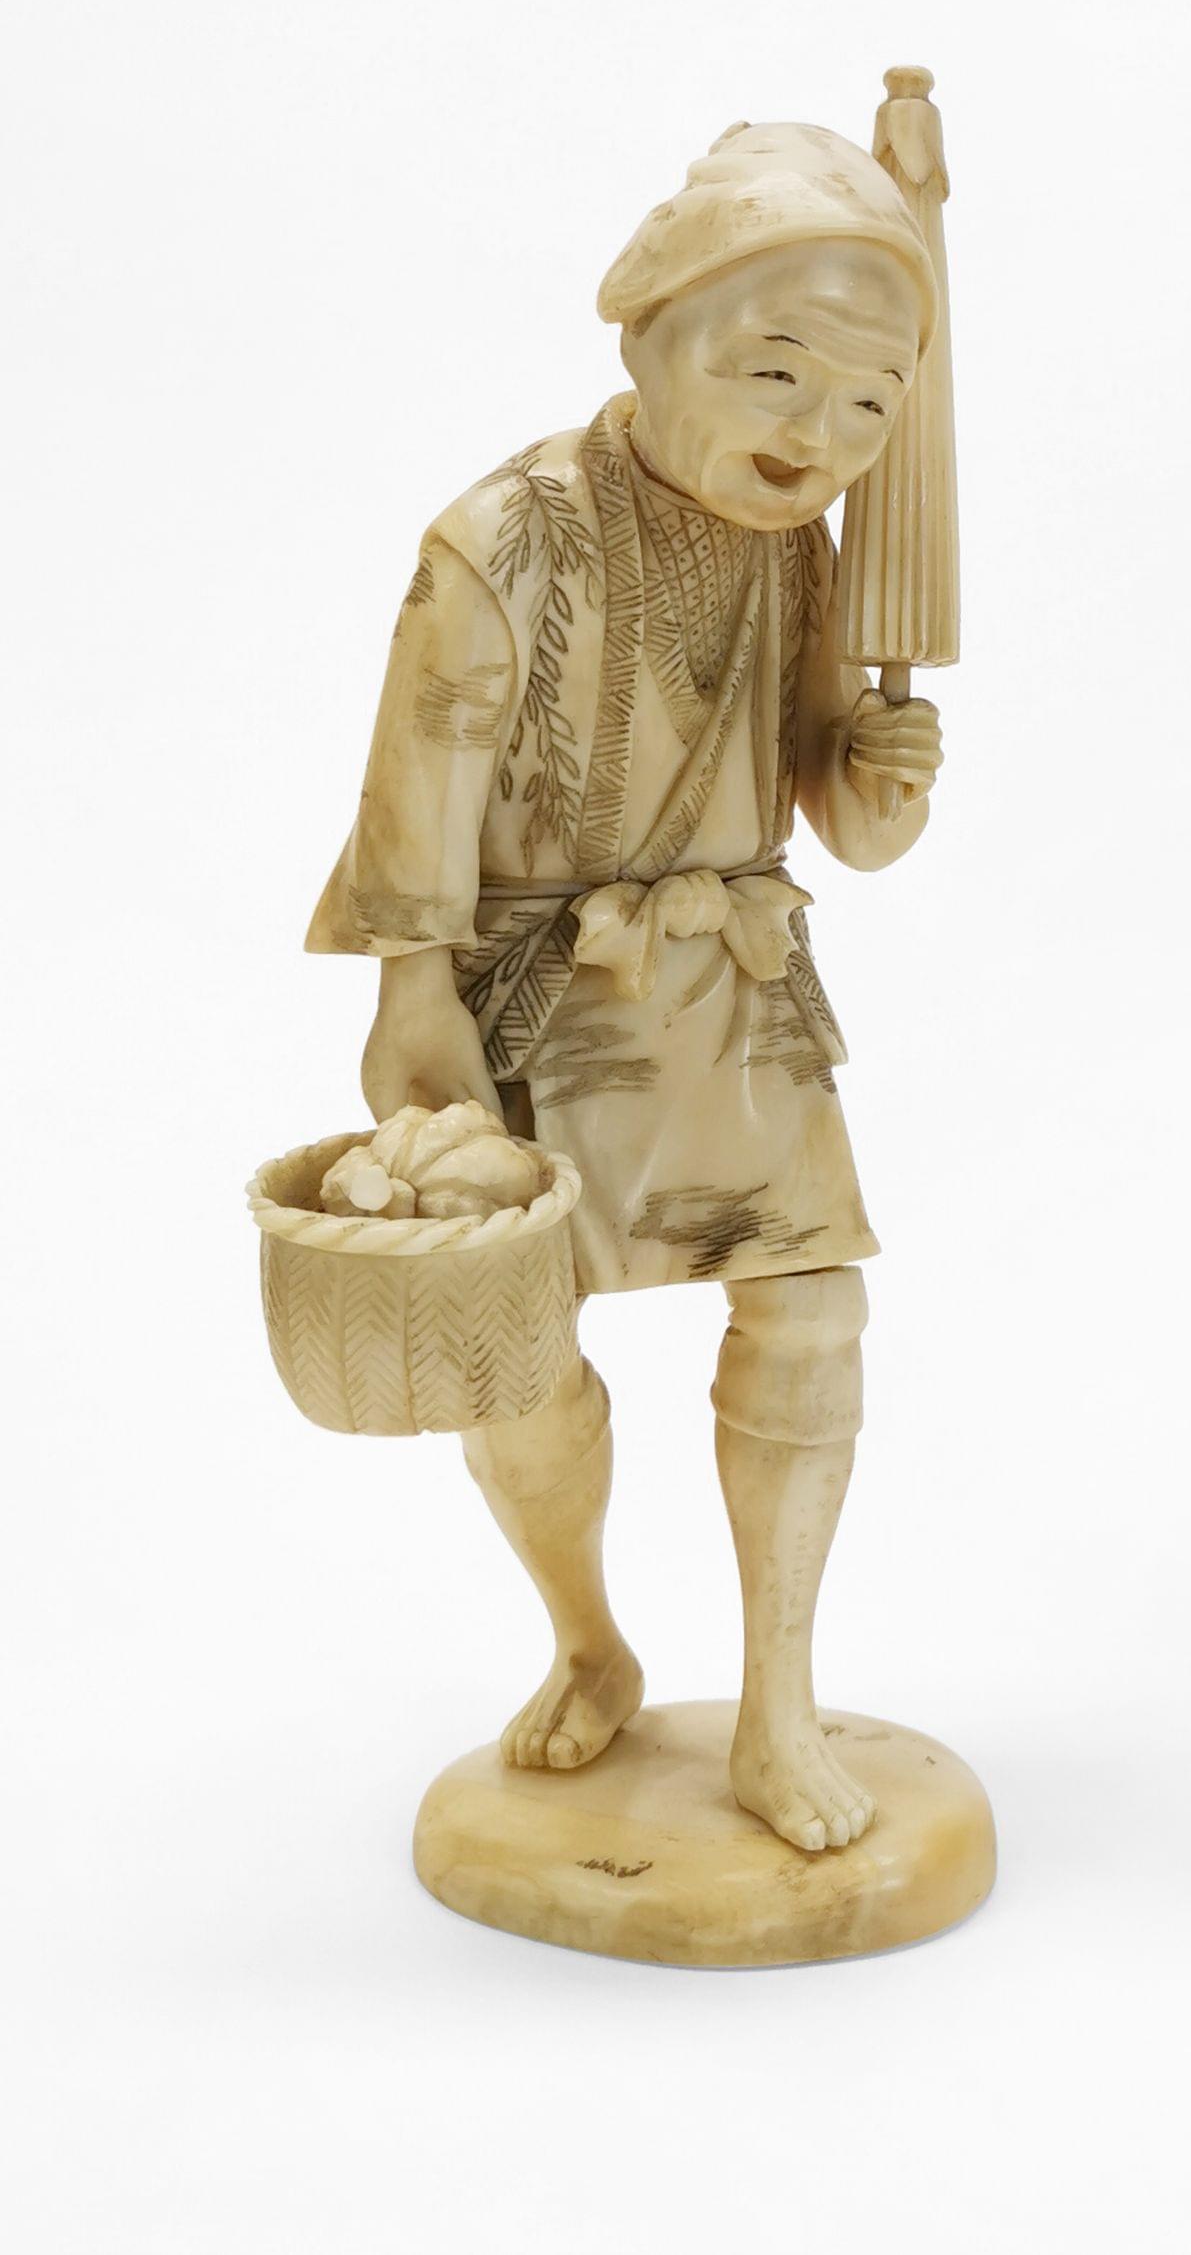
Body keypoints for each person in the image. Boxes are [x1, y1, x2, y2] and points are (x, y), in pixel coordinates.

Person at [309, 122, 949, 1852]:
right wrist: (410, 996)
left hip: (735, 990)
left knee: (811, 1314)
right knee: (517, 1358)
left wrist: (879, 778)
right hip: (534, 990)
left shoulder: (806, 554)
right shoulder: (501, 538)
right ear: (649, 330)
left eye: (869, 404)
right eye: (775, 371)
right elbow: (421, 776)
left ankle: (779, 1706)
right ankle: (590, 1643)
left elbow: (844, 822)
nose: (817, 435)